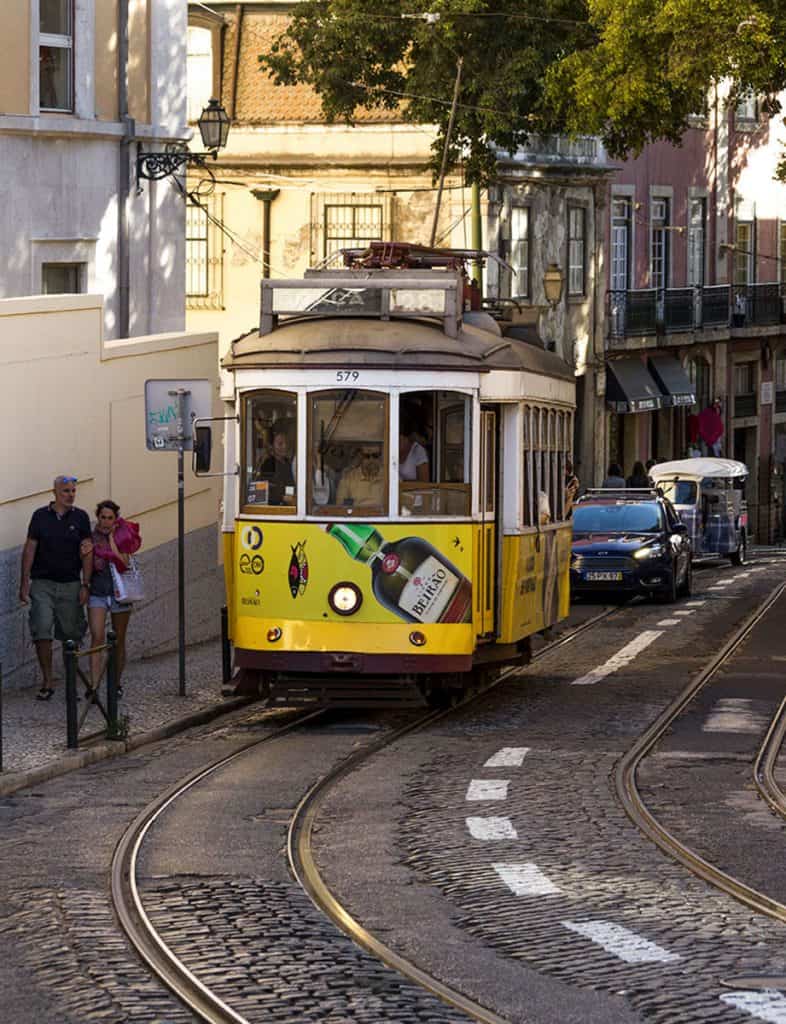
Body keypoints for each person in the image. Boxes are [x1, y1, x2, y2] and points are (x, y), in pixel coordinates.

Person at [19, 475, 93, 701]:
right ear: (54, 493)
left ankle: (71, 684)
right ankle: (48, 681)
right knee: (42, 630)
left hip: (70, 584)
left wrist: (85, 584)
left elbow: (88, 552)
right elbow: (30, 549)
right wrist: (24, 582)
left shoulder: (81, 518)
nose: (70, 495)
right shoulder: (40, 517)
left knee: (71, 636)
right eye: (65, 491)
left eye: (73, 491)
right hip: (42, 584)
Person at [87, 500, 139, 696]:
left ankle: (115, 683)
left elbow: (124, 563)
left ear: (115, 519)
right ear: (97, 517)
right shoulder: (90, 537)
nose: (106, 521)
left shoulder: (123, 535)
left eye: (110, 518)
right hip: (98, 592)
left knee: (118, 639)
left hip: (120, 593)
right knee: (97, 637)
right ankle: (94, 686)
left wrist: (111, 542)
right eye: (102, 517)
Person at [258, 429, 295, 504]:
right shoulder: (268, 464)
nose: (285, 446)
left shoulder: (288, 462)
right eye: (280, 444)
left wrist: (291, 495)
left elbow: (290, 484)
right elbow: (263, 490)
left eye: (286, 443)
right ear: (272, 446)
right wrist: (282, 498)